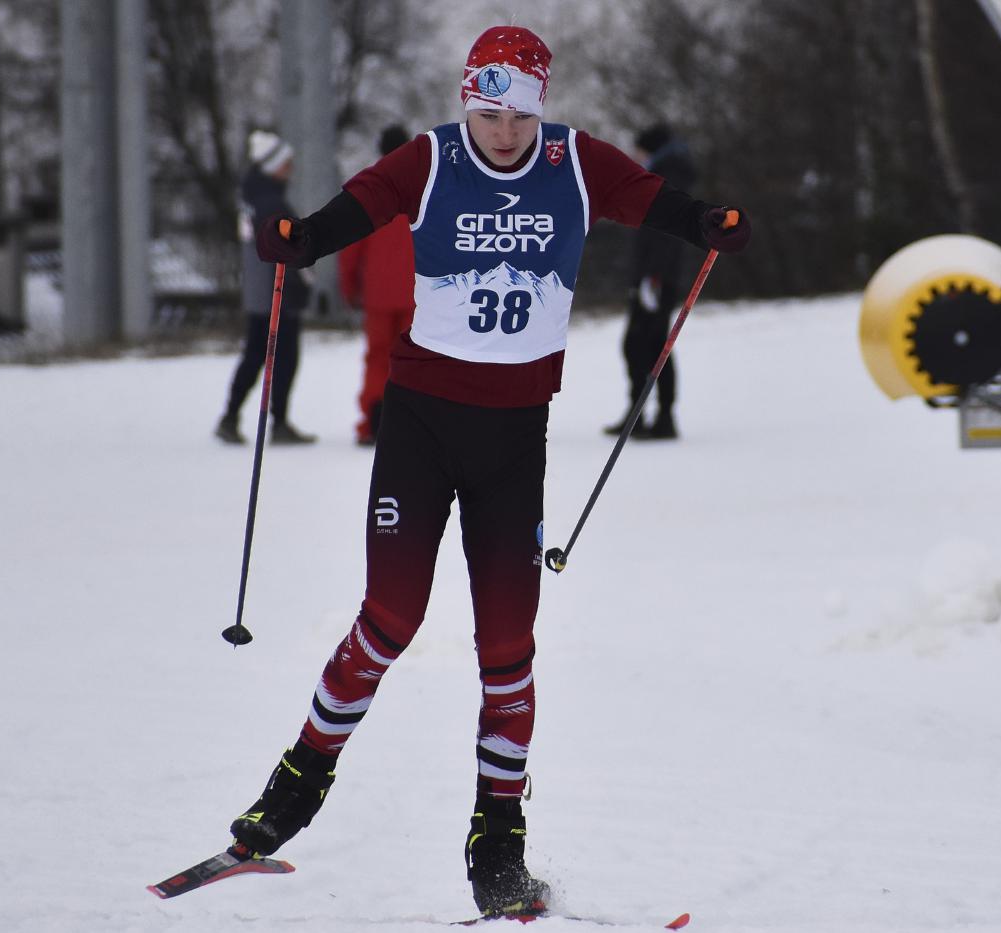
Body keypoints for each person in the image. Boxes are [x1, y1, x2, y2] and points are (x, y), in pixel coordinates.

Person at [226, 26, 749, 919]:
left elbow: (652, 199)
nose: (503, 132)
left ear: (541, 109)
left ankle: (497, 844)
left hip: (514, 438)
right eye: (488, 113)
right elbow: (358, 206)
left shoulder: (574, 162)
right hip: (421, 426)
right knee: (389, 618)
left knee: (508, 646)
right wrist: (301, 240)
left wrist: (706, 223)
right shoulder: (431, 159)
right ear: (466, 103)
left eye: (519, 116)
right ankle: (295, 786)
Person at [215, 129, 316, 446]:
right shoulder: (270, 202)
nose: (291, 168)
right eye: (287, 163)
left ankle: (231, 416)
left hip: (260, 291)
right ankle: (277, 422)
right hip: (277, 292)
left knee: (256, 354)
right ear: (273, 166)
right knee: (283, 357)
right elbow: (287, 247)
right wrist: (301, 278)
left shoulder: (253, 197)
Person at [606, 123, 698, 440]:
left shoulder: (668, 178)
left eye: (640, 151)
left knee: (652, 345)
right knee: (639, 344)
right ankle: (640, 414)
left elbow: (666, 236)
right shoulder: (660, 175)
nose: (636, 156)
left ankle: (663, 417)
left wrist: (654, 277)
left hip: (658, 279)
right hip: (650, 276)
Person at [338, 124, 417, 446]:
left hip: (377, 296)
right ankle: (410, 424)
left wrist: (349, 289)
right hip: (417, 294)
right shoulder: (422, 187)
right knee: (412, 361)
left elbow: (349, 246)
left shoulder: (368, 189)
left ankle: (373, 421)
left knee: (377, 358)